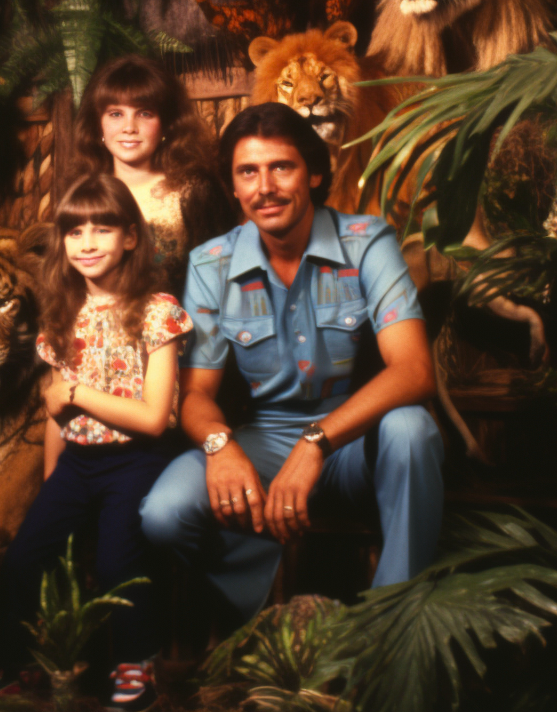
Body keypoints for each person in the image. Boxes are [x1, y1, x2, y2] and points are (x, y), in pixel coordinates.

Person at [140, 103, 444, 623]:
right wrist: (220, 446)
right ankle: (263, 614)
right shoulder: (211, 263)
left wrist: (317, 442)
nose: (265, 187)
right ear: (233, 187)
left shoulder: (367, 241)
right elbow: (196, 397)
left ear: (316, 173)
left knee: (412, 430)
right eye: (247, 172)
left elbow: (415, 371)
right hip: (262, 440)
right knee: (162, 513)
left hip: (351, 440)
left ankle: (390, 629)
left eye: (281, 167)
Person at [2, 174, 192, 709]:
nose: (86, 242)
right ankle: (28, 663)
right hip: (77, 464)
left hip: (137, 461)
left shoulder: (158, 312)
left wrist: (76, 392)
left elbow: (155, 418)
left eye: (102, 228)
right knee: (23, 559)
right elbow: (55, 416)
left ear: (130, 237)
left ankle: (139, 662)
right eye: (74, 231)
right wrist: (50, 488)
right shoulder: (61, 317)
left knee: (115, 563)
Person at [72, 53, 235, 297]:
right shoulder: (82, 192)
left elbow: (224, 281)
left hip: (183, 330)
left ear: (167, 123)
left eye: (144, 113)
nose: (129, 127)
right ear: (99, 125)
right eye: (116, 114)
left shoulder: (195, 190)